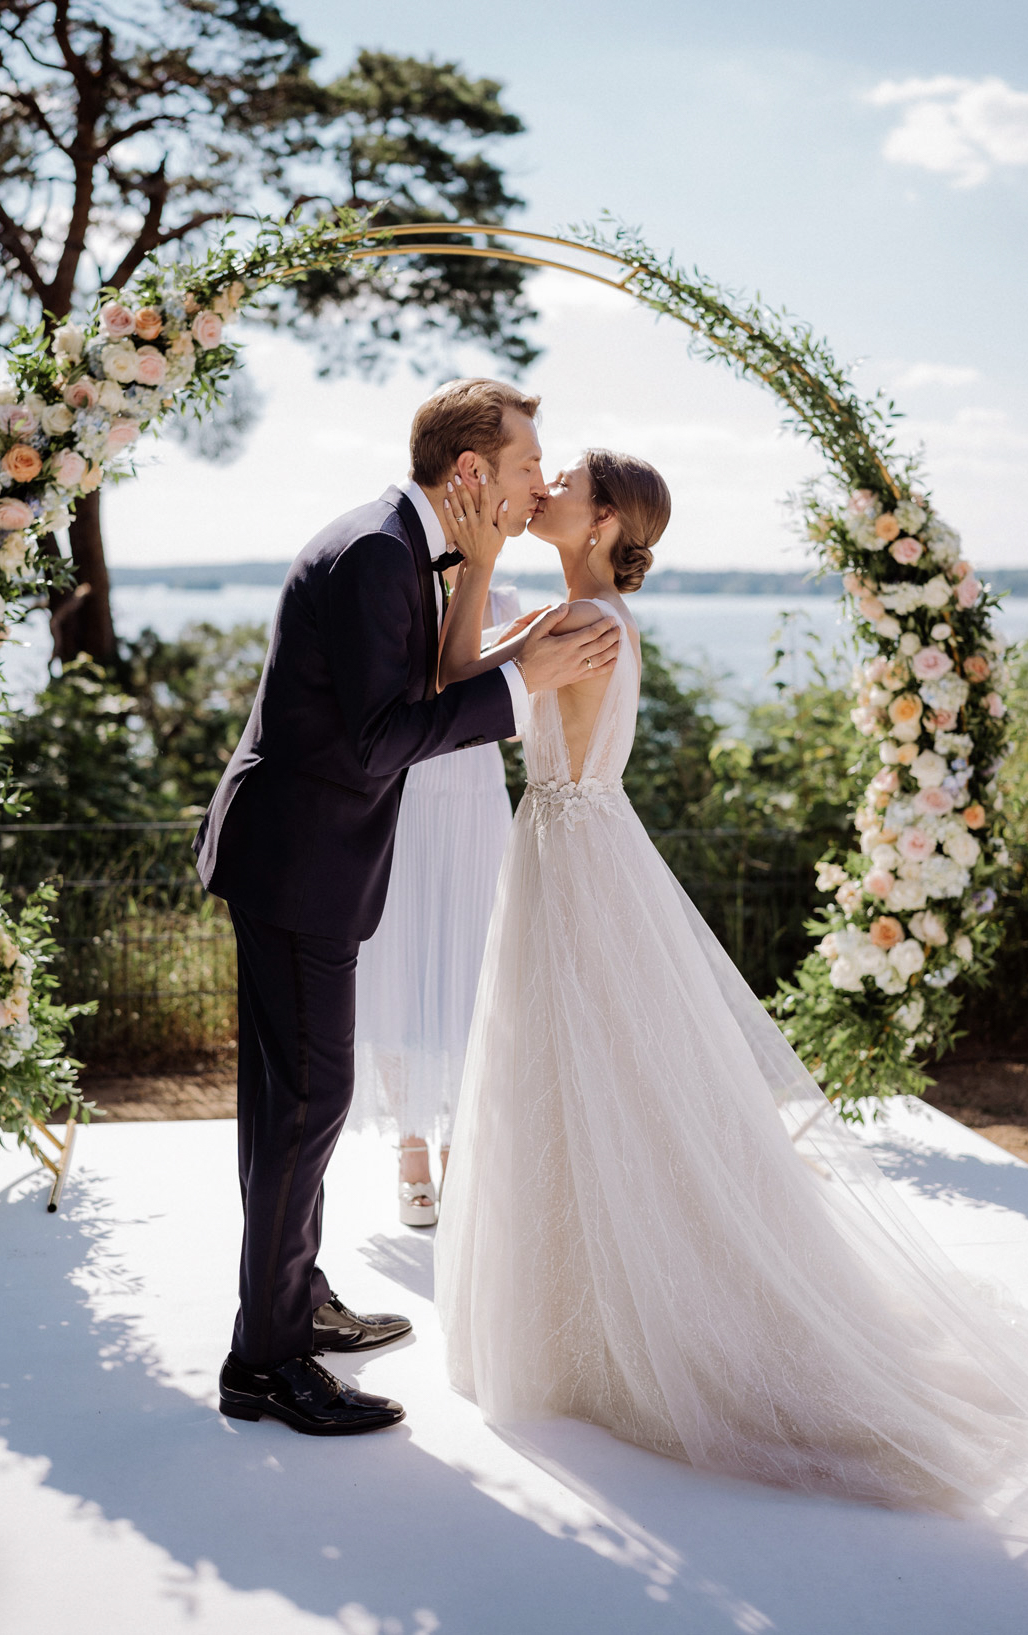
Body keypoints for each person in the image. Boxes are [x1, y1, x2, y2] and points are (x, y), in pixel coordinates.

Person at [434, 449, 1028, 1544]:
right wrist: (480, 570)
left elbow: (451, 688)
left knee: (599, 1075)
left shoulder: (589, 624)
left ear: (604, 520)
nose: (544, 485)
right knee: (576, 1076)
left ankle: (650, 1324)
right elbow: (470, 671)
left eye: (562, 479)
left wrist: (472, 562)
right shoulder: (582, 610)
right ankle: (581, 1318)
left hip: (576, 858)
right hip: (572, 850)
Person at [194, 380, 621, 1438]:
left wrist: (493, 627)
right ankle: (266, 1362)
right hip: (300, 864)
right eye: (530, 465)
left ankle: (291, 1301)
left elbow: (406, 703)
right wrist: (527, 687)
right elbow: (383, 739)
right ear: (470, 471)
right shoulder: (383, 553)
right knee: (308, 1103)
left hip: (298, 856)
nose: (539, 483)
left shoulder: (402, 541)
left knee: (288, 1103)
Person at [351, 571, 524, 1227]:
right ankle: (411, 1151)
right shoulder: (397, 594)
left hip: (476, 805)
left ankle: (460, 1147)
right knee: (399, 972)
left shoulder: (505, 602)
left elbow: (514, 722)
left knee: (468, 980)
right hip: (405, 800)